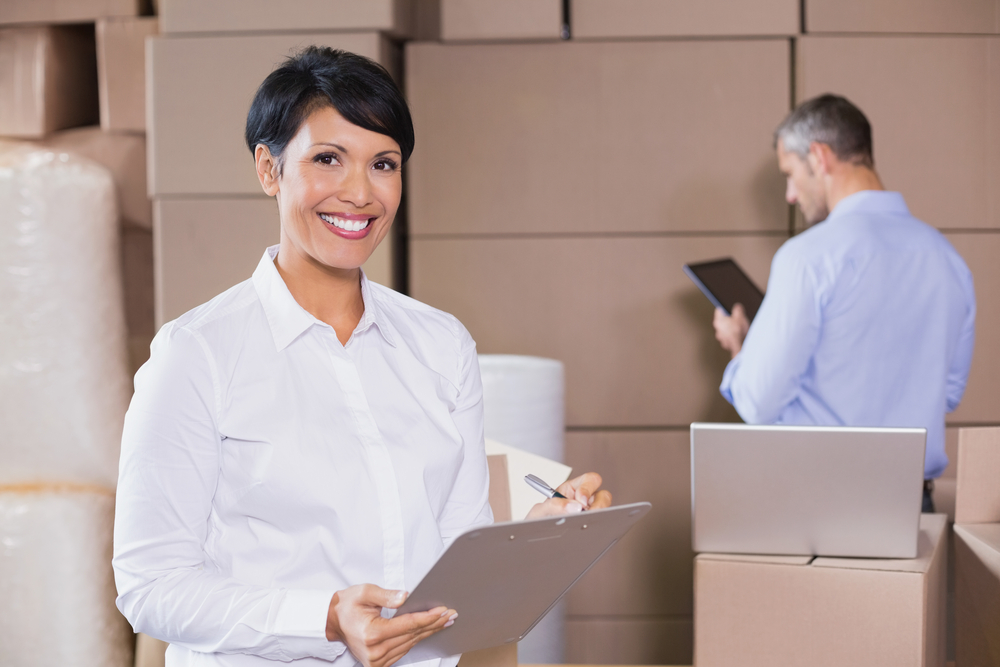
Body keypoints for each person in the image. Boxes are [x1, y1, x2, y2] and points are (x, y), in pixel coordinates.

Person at [112, 47, 611, 667]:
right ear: (268, 169)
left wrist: (534, 536)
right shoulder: (197, 356)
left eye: (383, 164)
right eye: (327, 159)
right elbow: (151, 586)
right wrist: (322, 618)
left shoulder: (441, 344)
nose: (359, 192)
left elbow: (457, 549)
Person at [712, 94, 975, 514]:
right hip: (913, 511)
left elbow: (759, 404)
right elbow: (946, 393)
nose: (791, 195)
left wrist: (742, 349)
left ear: (819, 156)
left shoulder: (807, 258)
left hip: (823, 509)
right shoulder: (948, 260)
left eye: (790, 174)